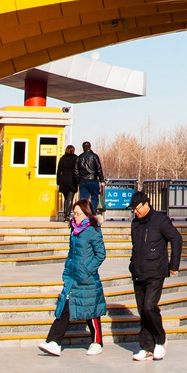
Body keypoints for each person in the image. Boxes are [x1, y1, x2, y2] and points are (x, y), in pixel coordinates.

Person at [38, 199, 106, 357]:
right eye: (74, 213)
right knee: (65, 308)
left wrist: (88, 269)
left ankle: (97, 342)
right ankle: (54, 342)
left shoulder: (92, 230)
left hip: (87, 278)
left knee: (92, 310)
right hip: (73, 277)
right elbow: (71, 253)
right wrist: (68, 271)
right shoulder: (74, 231)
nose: (75, 216)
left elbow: (101, 253)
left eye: (78, 213)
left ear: (87, 213)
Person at [127, 189, 182, 362]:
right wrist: (132, 265)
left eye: (137, 208)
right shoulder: (135, 224)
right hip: (138, 272)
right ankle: (146, 347)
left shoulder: (160, 220)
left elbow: (177, 239)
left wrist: (173, 265)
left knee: (149, 306)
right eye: (133, 209)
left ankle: (160, 339)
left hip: (156, 271)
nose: (135, 212)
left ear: (146, 204)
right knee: (142, 310)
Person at [77, 141, 104, 213]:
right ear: (90, 147)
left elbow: (76, 171)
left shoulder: (79, 157)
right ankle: (92, 213)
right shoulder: (94, 156)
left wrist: (78, 181)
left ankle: (84, 213)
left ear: (83, 148)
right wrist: (102, 180)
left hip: (83, 181)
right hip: (93, 180)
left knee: (83, 199)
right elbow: (99, 169)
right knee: (94, 197)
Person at [56, 144, 80, 219]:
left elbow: (59, 171)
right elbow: (77, 170)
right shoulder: (76, 158)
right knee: (70, 198)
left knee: (66, 198)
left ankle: (65, 213)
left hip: (63, 180)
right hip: (72, 180)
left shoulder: (62, 159)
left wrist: (58, 181)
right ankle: (67, 214)